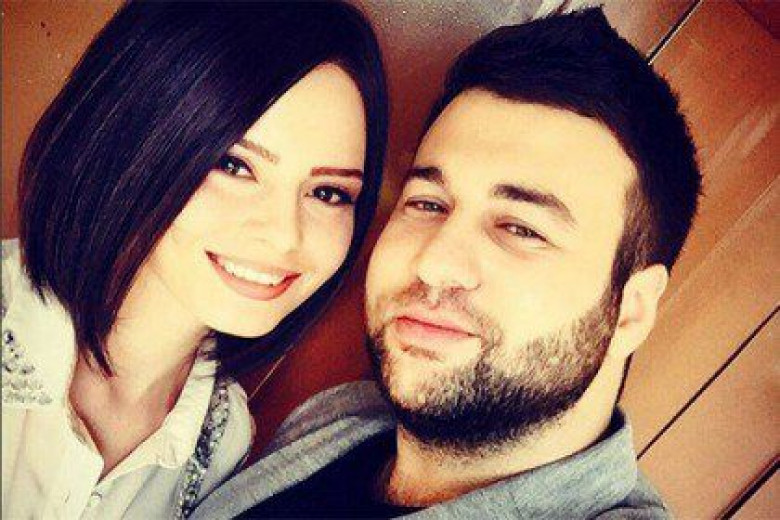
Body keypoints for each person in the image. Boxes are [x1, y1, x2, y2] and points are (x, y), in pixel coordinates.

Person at [190, 7, 700, 519]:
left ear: (631, 310)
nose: (434, 263)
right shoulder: (339, 419)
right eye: (428, 204)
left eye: (521, 229)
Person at [1, 1, 387, 518]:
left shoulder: (223, 437)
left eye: (328, 193)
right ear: (133, 139)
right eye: (234, 165)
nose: (284, 235)